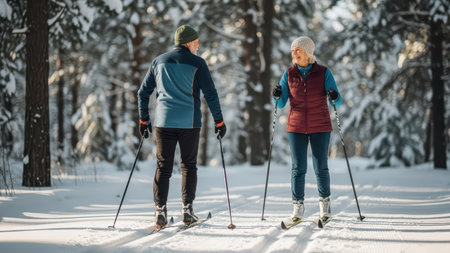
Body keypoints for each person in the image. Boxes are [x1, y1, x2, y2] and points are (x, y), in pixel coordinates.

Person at [137, 25, 227, 227]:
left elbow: (143, 93)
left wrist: (144, 120)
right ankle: (187, 210)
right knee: (188, 166)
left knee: (163, 166)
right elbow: (210, 94)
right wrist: (219, 121)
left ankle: (159, 211)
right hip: (189, 122)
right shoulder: (198, 63)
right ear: (188, 42)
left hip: (163, 121)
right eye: (196, 42)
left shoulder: (158, 61)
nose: (199, 45)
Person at [272, 36, 342, 224]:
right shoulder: (288, 74)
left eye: (298, 50)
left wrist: (334, 96)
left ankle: (325, 208)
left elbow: (338, 100)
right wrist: (276, 96)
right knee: (298, 168)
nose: (293, 53)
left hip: (320, 126)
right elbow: (279, 103)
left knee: (320, 167)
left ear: (308, 52)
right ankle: (297, 209)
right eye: (292, 50)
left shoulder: (323, 73)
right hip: (296, 127)